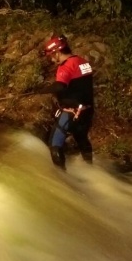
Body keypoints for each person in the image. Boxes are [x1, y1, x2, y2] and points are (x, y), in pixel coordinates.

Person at [39, 35, 94, 169]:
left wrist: (41, 90)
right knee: (81, 138)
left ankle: (63, 179)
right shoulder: (82, 61)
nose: (52, 60)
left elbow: (60, 86)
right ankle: (90, 168)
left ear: (57, 52)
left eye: (51, 56)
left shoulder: (65, 66)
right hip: (87, 110)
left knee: (54, 144)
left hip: (71, 112)